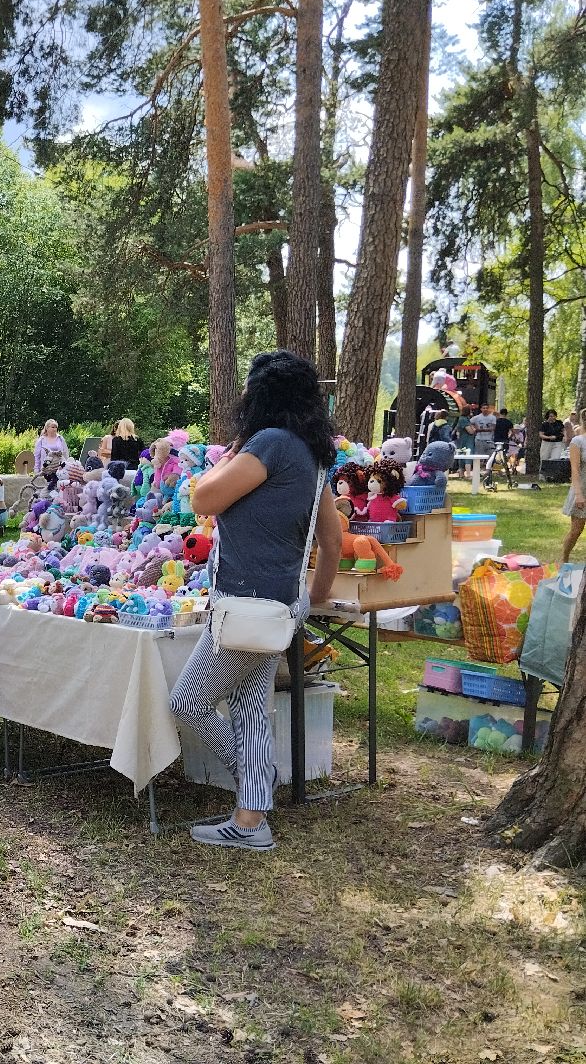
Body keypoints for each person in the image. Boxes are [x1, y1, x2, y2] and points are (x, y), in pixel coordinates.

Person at [168, 350, 342, 852]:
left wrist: (236, 446)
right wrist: (311, 598)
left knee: (188, 702)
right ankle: (250, 821)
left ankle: (256, 781)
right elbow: (332, 542)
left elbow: (202, 499)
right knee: (248, 710)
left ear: (260, 395)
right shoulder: (311, 456)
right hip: (277, 604)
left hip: (245, 602)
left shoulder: (267, 444)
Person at [562, 427, 586, 562]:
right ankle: (564, 559)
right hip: (582, 488)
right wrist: (578, 494)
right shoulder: (578, 442)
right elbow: (575, 471)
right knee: (576, 530)